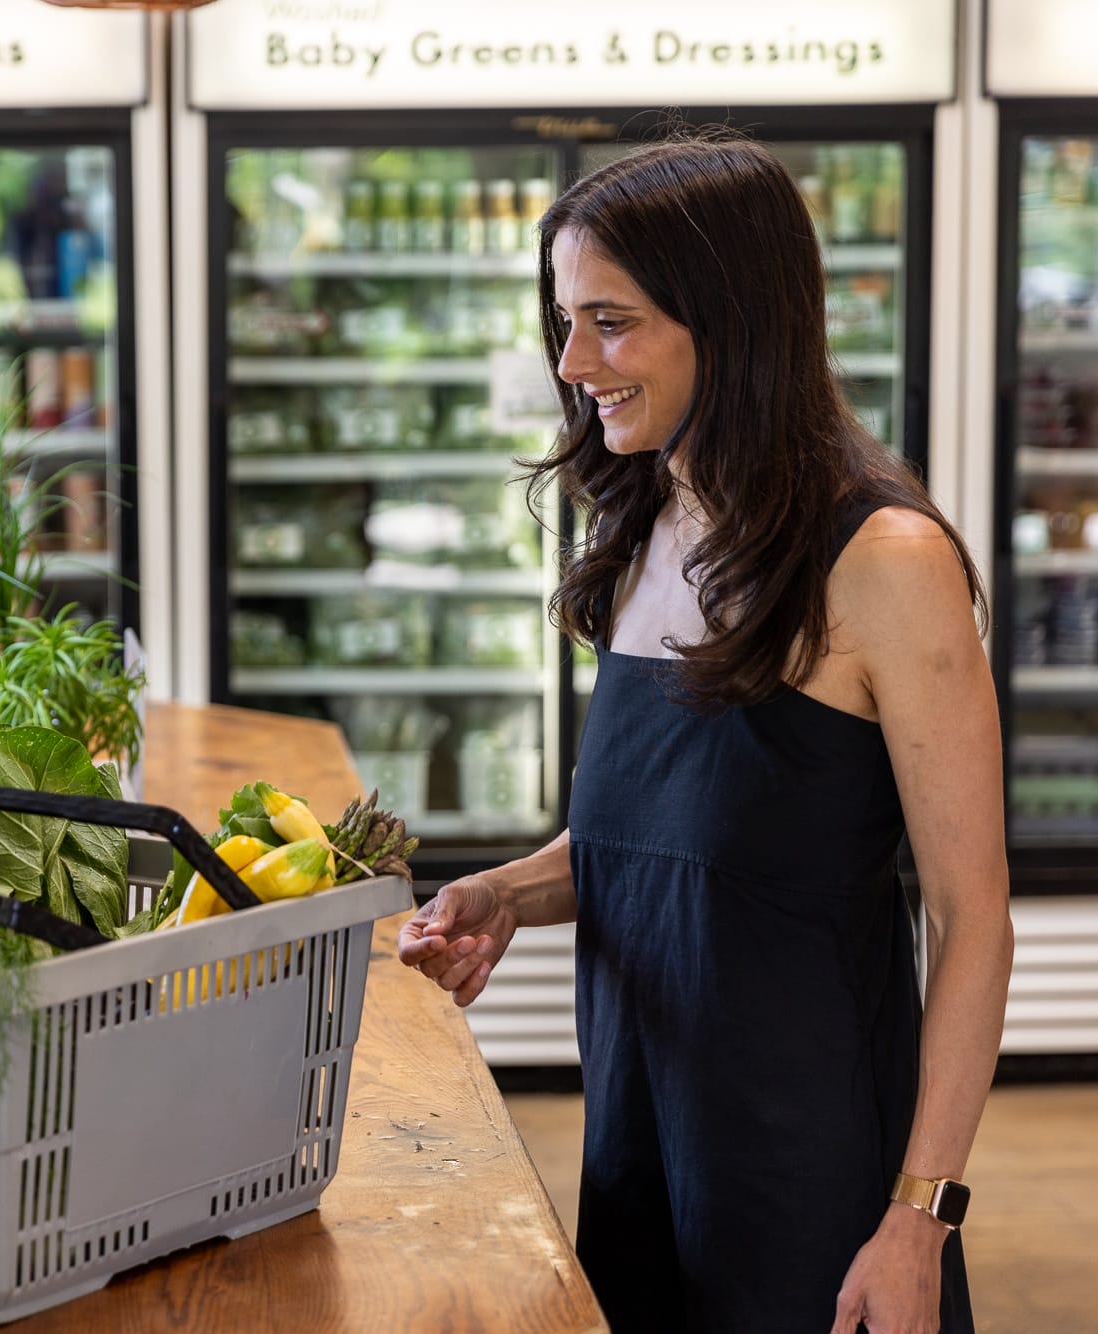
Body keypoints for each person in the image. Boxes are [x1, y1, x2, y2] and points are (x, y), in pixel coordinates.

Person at [398, 136, 1013, 1334]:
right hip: (639, 1139)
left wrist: (916, 1217)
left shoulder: (881, 560)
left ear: (727, 318)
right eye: (565, 322)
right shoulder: (643, 523)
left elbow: (971, 916)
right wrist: (505, 894)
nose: (574, 363)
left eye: (609, 322)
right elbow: (673, 834)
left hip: (811, 1173)